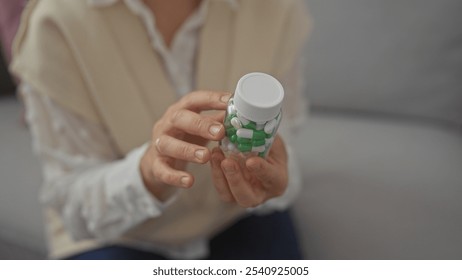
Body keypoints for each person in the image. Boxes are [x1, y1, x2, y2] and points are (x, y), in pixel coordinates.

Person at [10, 0, 311, 259]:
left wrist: (274, 180)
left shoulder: (274, 9)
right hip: (116, 234)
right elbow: (71, 199)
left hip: (236, 216)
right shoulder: (57, 22)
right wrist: (146, 174)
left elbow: (288, 141)